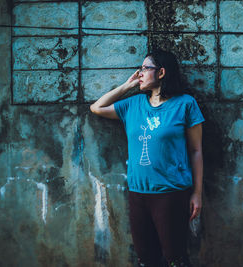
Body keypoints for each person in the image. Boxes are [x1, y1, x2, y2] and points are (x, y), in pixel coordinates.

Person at [90, 49, 204, 267]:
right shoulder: (133, 105)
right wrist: (128, 85)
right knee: (146, 259)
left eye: (145, 68)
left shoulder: (185, 104)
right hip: (138, 194)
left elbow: (196, 151)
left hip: (171, 193)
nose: (139, 73)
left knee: (175, 259)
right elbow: (97, 107)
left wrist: (197, 194)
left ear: (161, 72)